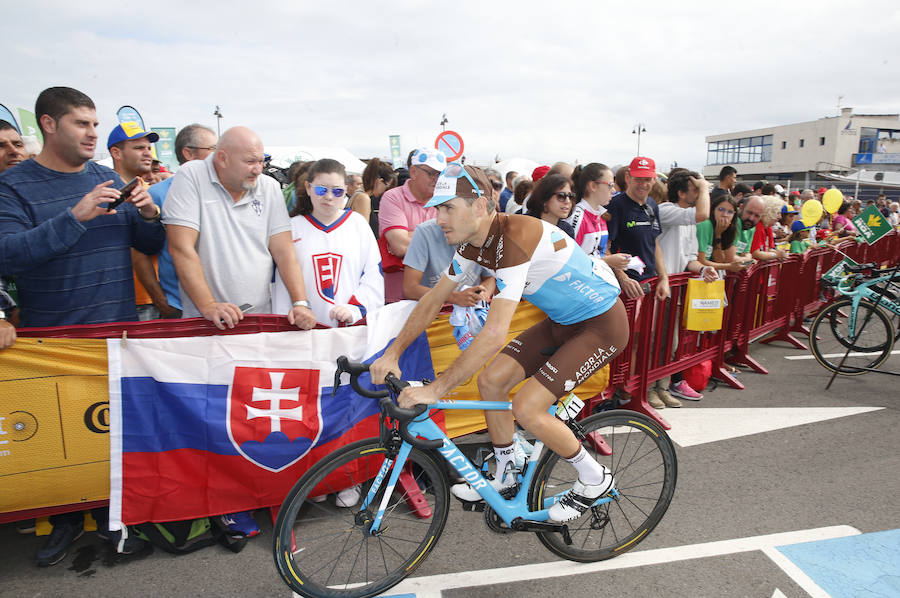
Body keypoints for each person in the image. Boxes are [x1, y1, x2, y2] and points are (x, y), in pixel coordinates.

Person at [371, 164, 627, 523]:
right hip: (562, 322)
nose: (438, 217)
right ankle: (507, 469)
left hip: (601, 326)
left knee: (528, 407)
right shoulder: (473, 245)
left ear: (478, 207)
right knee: (491, 381)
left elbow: (493, 334)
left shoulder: (514, 239)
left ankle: (594, 478)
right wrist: (392, 353)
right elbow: (431, 300)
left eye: (448, 208)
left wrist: (435, 389)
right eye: (437, 208)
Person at [0, 86, 164, 565]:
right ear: (49, 125)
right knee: (63, 438)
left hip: (117, 333)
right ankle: (65, 521)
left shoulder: (105, 176)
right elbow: (9, 254)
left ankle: (121, 518)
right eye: (81, 123)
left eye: (95, 124)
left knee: (115, 435)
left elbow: (147, 243)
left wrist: (151, 215)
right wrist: (74, 216)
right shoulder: (14, 186)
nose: (92, 133)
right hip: (54, 340)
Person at [164, 126, 317, 538]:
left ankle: (262, 491)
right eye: (250, 160)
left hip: (257, 318)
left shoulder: (266, 187)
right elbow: (182, 247)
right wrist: (208, 304)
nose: (258, 168)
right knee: (211, 416)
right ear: (222, 158)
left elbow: (283, 249)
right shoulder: (190, 178)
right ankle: (224, 503)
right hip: (204, 322)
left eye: (261, 160)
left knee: (252, 414)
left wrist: (300, 302)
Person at [272, 158, 383, 327]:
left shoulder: (357, 224)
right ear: (308, 188)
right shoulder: (292, 228)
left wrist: (354, 308)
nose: (329, 197)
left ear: (346, 190)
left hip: (350, 330)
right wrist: (288, 321)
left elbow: (373, 275)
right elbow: (281, 283)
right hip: (304, 331)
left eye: (337, 191)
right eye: (321, 190)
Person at [655, 170, 717, 406]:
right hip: (662, 290)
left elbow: (689, 258)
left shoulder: (689, 219)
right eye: (695, 190)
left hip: (675, 291)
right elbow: (702, 213)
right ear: (681, 193)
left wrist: (702, 270)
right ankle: (649, 389)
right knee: (654, 343)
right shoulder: (667, 210)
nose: (700, 193)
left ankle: (661, 387)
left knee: (670, 343)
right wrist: (704, 187)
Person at [148, 124, 219, 319]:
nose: (219, 155)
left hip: (223, 306)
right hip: (178, 307)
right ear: (188, 153)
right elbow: (141, 253)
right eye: (212, 149)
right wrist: (160, 299)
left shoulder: (223, 191)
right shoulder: (156, 194)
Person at [107, 122, 165, 321]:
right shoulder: (105, 193)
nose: (148, 153)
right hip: (129, 302)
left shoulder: (150, 192)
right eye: (139, 148)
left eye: (148, 148)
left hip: (160, 298)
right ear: (116, 153)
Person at [378, 148, 446, 303]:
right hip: (399, 297)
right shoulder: (393, 198)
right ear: (413, 172)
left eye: (440, 174)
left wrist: (411, 234)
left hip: (437, 296)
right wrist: (438, 235)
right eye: (431, 173)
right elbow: (400, 246)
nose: (437, 179)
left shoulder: (445, 200)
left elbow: (456, 242)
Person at [605, 157, 670, 302]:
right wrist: (623, 278)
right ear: (628, 178)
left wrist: (663, 278)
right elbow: (605, 247)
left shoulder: (652, 205)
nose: (643, 184)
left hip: (649, 283)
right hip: (624, 288)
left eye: (647, 179)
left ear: (654, 180)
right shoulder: (616, 205)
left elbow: (655, 243)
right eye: (638, 179)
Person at [402, 218, 495, 305]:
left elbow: (490, 278)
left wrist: (482, 293)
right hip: (432, 313)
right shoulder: (425, 232)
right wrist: (454, 298)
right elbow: (410, 289)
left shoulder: (485, 232)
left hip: (471, 313)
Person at [566, 163, 630, 270]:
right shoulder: (577, 215)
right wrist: (607, 261)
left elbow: (598, 253)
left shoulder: (600, 214)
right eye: (610, 185)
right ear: (593, 186)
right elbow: (569, 260)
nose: (613, 190)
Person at [696, 194, 752, 273]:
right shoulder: (705, 225)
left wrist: (718, 235)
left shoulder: (732, 227)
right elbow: (701, 261)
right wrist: (729, 266)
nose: (724, 215)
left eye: (730, 212)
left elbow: (719, 261)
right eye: (721, 209)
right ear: (713, 210)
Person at [524, 173, 576, 237]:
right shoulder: (523, 224)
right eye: (561, 196)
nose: (567, 201)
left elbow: (560, 246)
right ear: (544, 198)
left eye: (570, 196)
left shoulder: (566, 230)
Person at [750, 196, 789, 262]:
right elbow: (755, 253)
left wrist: (779, 253)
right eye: (778, 213)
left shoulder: (767, 227)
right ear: (769, 212)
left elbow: (768, 249)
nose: (780, 217)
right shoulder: (758, 226)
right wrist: (777, 255)